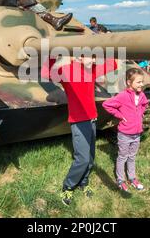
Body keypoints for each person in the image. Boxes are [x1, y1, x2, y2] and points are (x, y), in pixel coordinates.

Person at [42, 54, 117, 205]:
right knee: (82, 159)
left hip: (92, 119)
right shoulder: (68, 70)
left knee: (90, 157)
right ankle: (68, 186)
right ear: (78, 57)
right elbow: (46, 73)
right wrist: (56, 55)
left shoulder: (91, 70)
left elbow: (113, 63)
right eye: (85, 55)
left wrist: (95, 60)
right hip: (78, 121)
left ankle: (84, 182)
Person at [102, 68, 148, 192]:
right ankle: (120, 180)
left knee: (132, 156)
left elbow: (145, 104)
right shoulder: (122, 96)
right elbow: (106, 104)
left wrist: (140, 114)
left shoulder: (142, 95)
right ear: (129, 82)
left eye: (142, 82)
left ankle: (132, 178)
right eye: (138, 82)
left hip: (137, 133)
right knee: (123, 156)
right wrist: (120, 116)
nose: (142, 84)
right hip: (125, 134)